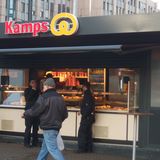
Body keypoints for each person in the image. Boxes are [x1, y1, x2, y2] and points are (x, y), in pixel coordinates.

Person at [24, 78, 68, 160]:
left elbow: (35, 110)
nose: (43, 88)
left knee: (53, 149)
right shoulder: (60, 98)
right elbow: (65, 114)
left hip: (48, 126)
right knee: (45, 148)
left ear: (47, 86)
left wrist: (25, 113)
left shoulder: (44, 97)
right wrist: (58, 121)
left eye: (43, 87)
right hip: (56, 127)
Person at [77, 82, 95, 153]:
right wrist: (81, 111)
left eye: (83, 87)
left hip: (86, 117)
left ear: (85, 87)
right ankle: (89, 148)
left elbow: (87, 107)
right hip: (90, 117)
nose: (82, 88)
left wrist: (83, 114)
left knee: (82, 132)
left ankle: (81, 149)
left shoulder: (87, 95)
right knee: (88, 133)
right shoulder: (90, 94)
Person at [24, 80, 39, 147]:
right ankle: (26, 143)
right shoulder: (27, 90)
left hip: (36, 111)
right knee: (28, 128)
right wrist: (33, 90)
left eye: (35, 83)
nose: (34, 84)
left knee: (36, 128)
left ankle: (34, 142)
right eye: (32, 83)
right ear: (30, 84)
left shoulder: (38, 90)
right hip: (29, 111)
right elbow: (28, 99)